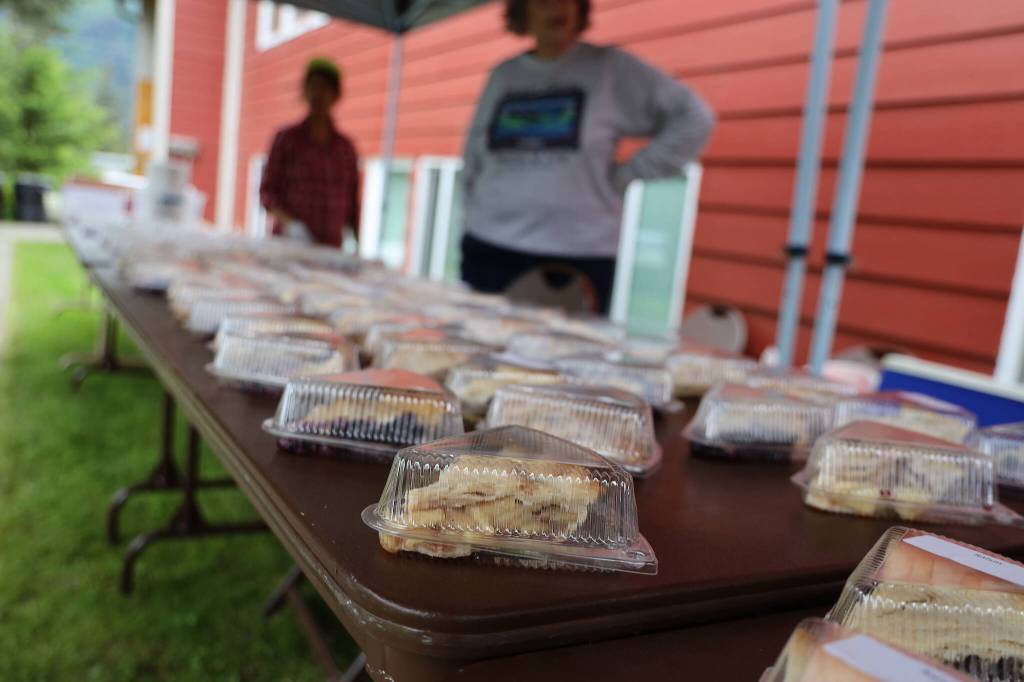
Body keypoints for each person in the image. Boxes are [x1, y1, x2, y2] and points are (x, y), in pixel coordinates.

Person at [460, 0, 715, 313]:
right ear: (522, 11)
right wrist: (471, 212)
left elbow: (693, 118)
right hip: (490, 246)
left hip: (577, 254)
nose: (557, 7)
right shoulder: (503, 76)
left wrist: (629, 173)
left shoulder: (610, 69)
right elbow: (473, 153)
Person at [260, 58, 360, 248]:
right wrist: (292, 225)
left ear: (336, 95)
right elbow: (267, 194)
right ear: (305, 91)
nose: (318, 94)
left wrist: (357, 244)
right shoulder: (286, 140)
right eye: (313, 87)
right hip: (288, 246)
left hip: (331, 249)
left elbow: (353, 204)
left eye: (325, 88)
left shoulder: (346, 148)